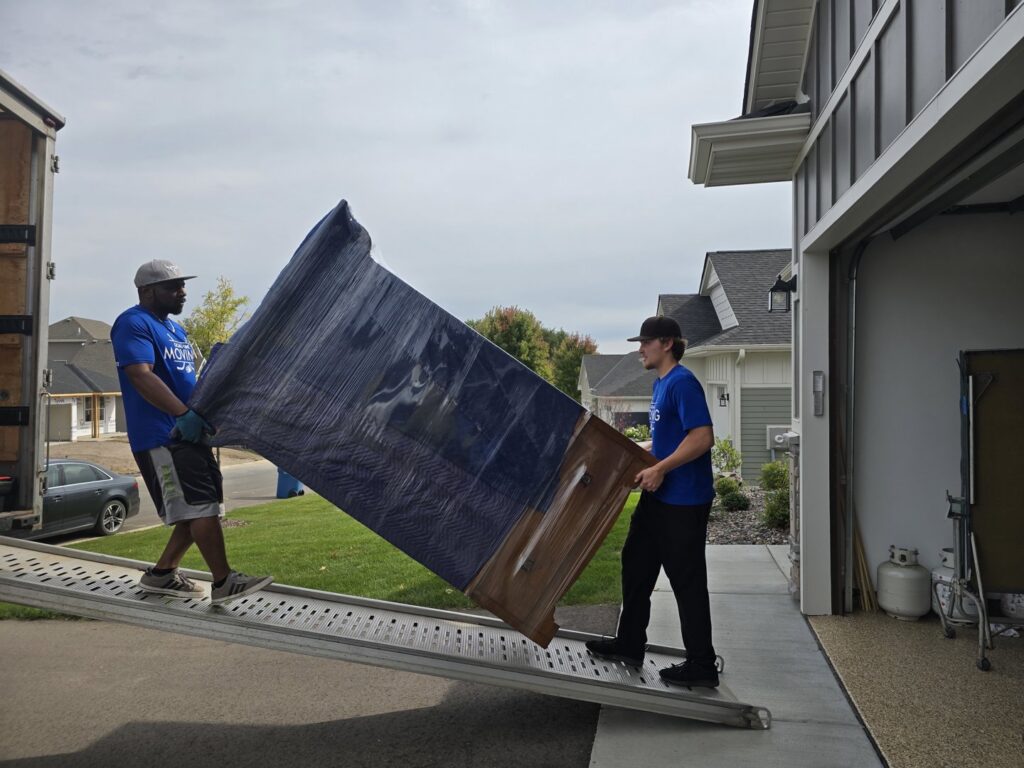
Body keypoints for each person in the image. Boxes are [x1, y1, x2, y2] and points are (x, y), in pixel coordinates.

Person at [111, 259, 272, 605]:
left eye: (183, 285)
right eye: (173, 286)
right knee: (199, 508)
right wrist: (182, 413)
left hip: (190, 433)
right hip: (164, 436)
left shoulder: (177, 331)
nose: (182, 291)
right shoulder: (133, 323)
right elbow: (140, 374)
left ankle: (162, 574)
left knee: (201, 506)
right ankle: (224, 581)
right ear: (146, 291)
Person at [586, 315, 719, 687]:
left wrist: (661, 469)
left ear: (666, 343)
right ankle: (630, 643)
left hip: (684, 502)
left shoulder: (682, 382)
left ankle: (702, 665)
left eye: (645, 342)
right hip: (659, 501)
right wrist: (635, 453)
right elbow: (667, 441)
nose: (639, 349)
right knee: (636, 565)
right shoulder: (661, 385)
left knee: (687, 582)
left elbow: (702, 437)